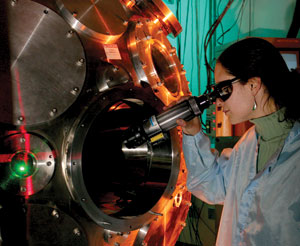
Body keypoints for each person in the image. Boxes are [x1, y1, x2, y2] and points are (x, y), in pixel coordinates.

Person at [177, 37, 300, 246]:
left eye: (224, 90)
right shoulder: (250, 141)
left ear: (253, 85)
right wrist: (193, 134)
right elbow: (212, 185)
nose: (218, 101)